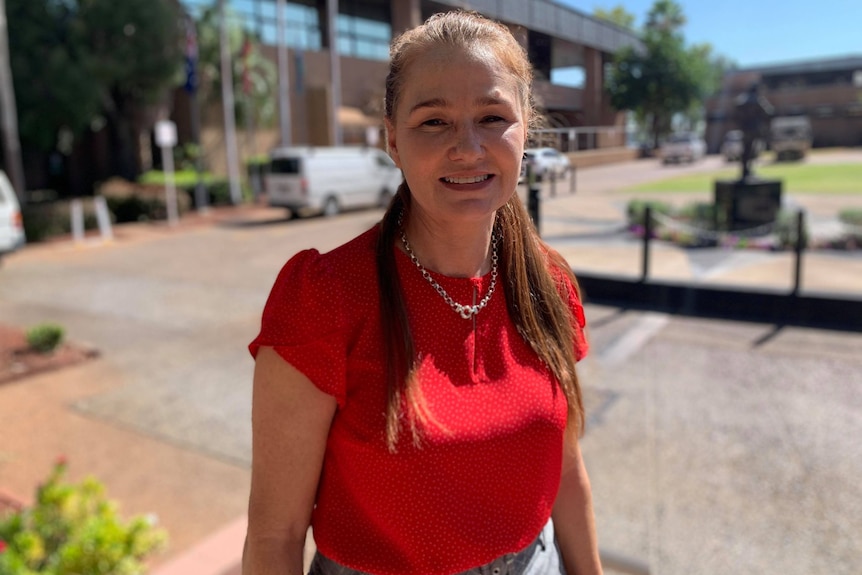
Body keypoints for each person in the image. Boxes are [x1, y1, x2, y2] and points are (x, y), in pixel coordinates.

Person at [243, 11, 602, 575]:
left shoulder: (548, 283)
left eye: (492, 117)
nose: (468, 147)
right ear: (392, 138)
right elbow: (275, 535)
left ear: (525, 129)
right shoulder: (325, 298)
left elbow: (568, 473)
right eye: (434, 122)